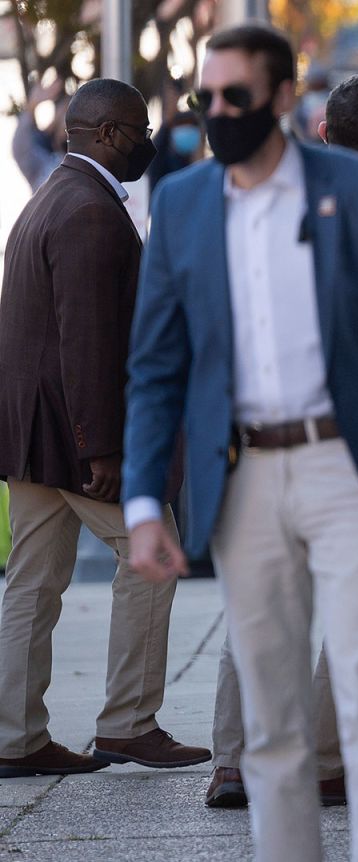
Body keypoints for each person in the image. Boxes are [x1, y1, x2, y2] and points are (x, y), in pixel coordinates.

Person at [120, 23, 358, 862]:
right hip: (242, 478)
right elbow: (157, 361)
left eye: (237, 98)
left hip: (354, 471)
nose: (219, 112)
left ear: (286, 102)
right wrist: (142, 500)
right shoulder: (183, 202)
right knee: (273, 730)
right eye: (209, 98)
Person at [200, 73, 358, 812]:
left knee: (259, 609)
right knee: (357, 615)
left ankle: (234, 759)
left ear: (322, 133)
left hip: (261, 442)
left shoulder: (260, 209)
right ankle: (325, 758)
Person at [0, 78, 211, 779]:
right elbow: (84, 341)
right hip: (75, 437)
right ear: (109, 134)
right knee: (155, 554)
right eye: (141, 128)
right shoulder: (89, 211)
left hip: (33, 434)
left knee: (32, 582)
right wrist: (105, 449)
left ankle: (15, 735)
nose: (150, 141)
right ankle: (128, 723)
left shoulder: (50, 197)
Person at [13, 76, 69, 192]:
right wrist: (32, 107)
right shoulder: (44, 164)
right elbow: (21, 147)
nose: (68, 126)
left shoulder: (88, 160)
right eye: (64, 116)